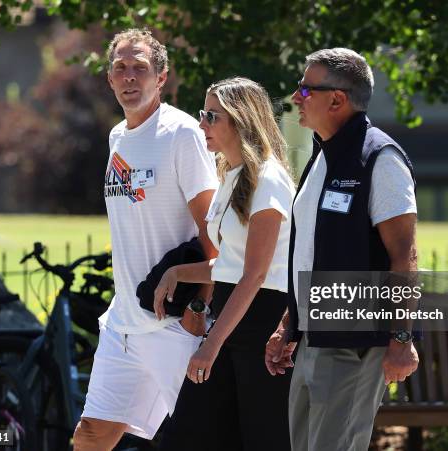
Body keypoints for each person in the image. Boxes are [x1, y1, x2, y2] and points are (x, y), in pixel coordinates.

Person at [265, 48, 420, 451]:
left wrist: (402, 338)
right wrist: (289, 323)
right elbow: (315, 252)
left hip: (354, 343)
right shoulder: (321, 155)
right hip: (313, 339)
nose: (297, 98)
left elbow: (405, 258)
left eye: (305, 89)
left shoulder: (380, 160)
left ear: (337, 99)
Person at [72, 28, 218, 451]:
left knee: (202, 437)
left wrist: (198, 304)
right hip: (123, 324)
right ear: (110, 79)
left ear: (162, 77)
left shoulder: (181, 133)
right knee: (92, 436)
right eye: (121, 68)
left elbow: (212, 231)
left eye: (141, 68)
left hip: (174, 324)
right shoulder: (117, 137)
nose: (130, 77)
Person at [154, 77, 295, 451]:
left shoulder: (269, 180)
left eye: (211, 116)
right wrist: (178, 272)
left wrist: (210, 345)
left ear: (240, 120)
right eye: (203, 114)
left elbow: (255, 274)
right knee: (189, 436)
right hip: (232, 323)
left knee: (263, 440)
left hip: (262, 330)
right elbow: (230, 265)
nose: (202, 124)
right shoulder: (230, 176)